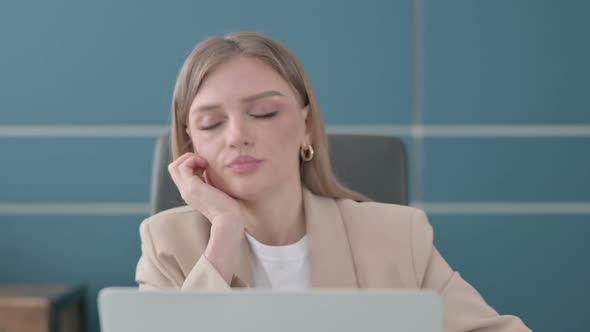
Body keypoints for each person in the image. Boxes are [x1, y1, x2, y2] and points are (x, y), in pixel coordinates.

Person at [135, 32, 530, 331]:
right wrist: (224, 234)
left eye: (263, 113)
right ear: (190, 143)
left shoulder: (397, 236)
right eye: (211, 123)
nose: (236, 135)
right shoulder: (167, 244)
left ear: (307, 126)